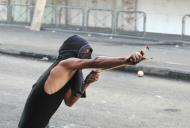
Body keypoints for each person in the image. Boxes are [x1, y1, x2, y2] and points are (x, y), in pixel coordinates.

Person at [18, 35, 144, 128]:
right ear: (72, 52)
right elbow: (97, 61)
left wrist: (87, 83)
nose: (85, 57)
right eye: (83, 53)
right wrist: (126, 59)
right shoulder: (63, 66)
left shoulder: (71, 73)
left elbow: (69, 101)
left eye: (88, 53)